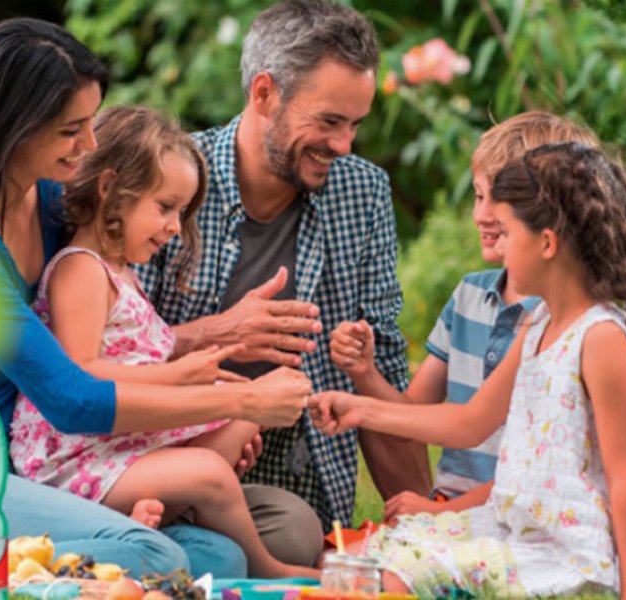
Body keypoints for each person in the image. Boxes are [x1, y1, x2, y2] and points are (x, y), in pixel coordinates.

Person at [0, 17, 312, 579]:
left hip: (23, 468)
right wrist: (238, 402)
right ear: (12, 127)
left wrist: (216, 335)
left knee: (221, 556)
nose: (89, 145)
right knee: (157, 558)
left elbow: (97, 344)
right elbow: (71, 395)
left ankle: (0, 566)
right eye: (71, 129)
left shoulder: (51, 203)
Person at [311, 142, 626, 598]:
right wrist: (358, 409)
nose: (499, 249)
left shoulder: (600, 340)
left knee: (386, 580)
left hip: (573, 559)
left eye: (508, 234)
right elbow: (467, 423)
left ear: (547, 243)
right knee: (360, 558)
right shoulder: (539, 325)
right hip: (517, 534)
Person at [136, 0, 430, 538]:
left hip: (301, 483)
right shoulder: (166, 184)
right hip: (161, 470)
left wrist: (426, 522)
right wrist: (220, 334)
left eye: (355, 125)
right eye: (329, 121)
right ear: (264, 93)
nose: (344, 145)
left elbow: (382, 373)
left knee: (294, 534)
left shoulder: (362, 194)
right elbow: (103, 360)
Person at [9, 105, 319, 579]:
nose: (175, 227)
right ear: (110, 189)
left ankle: (151, 517)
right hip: (76, 461)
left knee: (243, 417)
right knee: (211, 470)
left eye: (181, 211)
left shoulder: (121, 273)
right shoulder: (80, 270)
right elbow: (80, 373)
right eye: (165, 207)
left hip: (117, 447)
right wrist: (176, 376)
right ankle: (266, 567)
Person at [330, 112, 599, 521]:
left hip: (516, 514)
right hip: (451, 507)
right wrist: (364, 373)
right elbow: (415, 416)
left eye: (500, 201)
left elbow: (535, 474)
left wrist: (443, 514)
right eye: (478, 196)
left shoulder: (560, 322)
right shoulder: (470, 296)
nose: (482, 216)